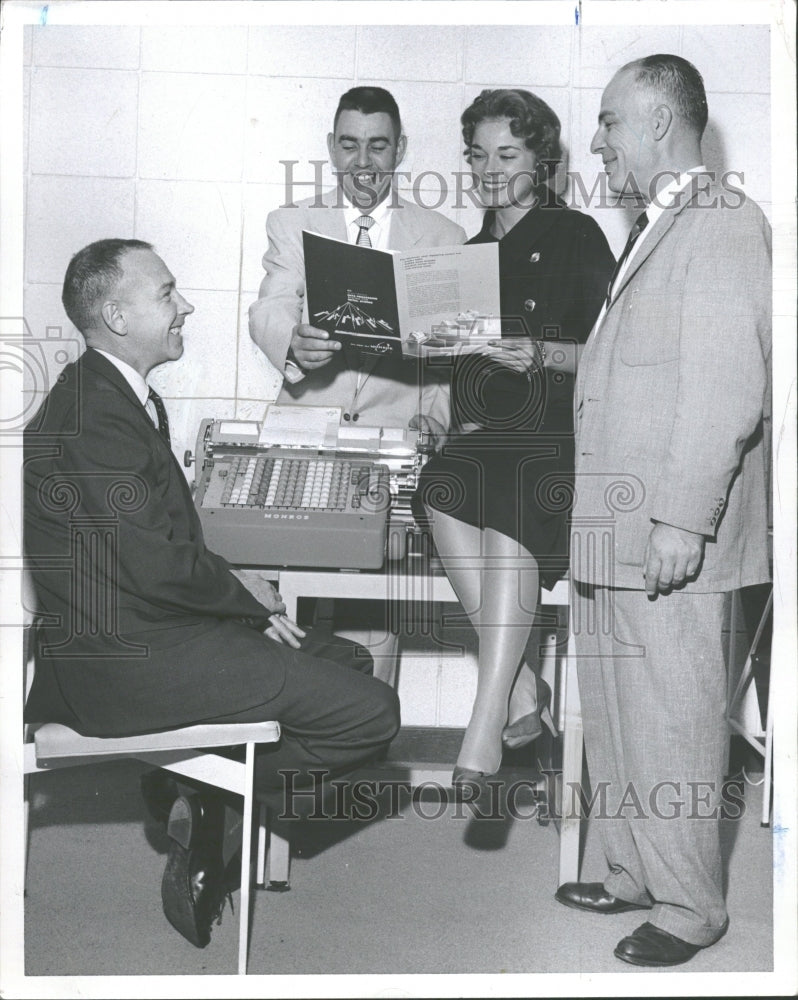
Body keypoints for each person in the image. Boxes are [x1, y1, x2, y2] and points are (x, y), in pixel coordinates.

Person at [24, 238, 401, 948]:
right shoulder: (97, 414)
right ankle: (212, 802)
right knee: (372, 714)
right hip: (126, 663)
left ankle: (200, 793)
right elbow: (155, 564)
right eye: (166, 294)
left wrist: (239, 596)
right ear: (115, 314)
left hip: (151, 631)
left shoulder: (113, 397)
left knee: (348, 662)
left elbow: (161, 550)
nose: (185, 305)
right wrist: (246, 596)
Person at [558, 55, 771, 967]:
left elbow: (729, 386)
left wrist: (684, 518)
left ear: (656, 123)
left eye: (608, 122)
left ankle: (690, 907)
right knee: (613, 710)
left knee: (675, 715)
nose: (597, 142)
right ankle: (631, 872)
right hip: (614, 521)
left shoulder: (722, 222)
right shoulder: (656, 227)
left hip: (665, 527)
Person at [414, 90, 614, 793]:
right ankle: (523, 691)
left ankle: (486, 718)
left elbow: (615, 355)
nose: (490, 171)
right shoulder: (467, 255)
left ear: (544, 161)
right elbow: (461, 377)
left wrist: (541, 354)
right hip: (487, 439)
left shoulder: (578, 236)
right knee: (439, 485)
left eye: (508, 155)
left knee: (506, 485)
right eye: (478, 157)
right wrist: (437, 402)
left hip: (560, 434)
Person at [248, 85, 466, 434]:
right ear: (332, 147)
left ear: (400, 150)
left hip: (398, 436)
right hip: (306, 431)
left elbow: (441, 356)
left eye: (378, 147)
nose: (362, 161)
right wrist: (291, 342)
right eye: (349, 146)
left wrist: (436, 421)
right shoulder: (291, 221)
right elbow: (272, 304)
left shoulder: (446, 238)